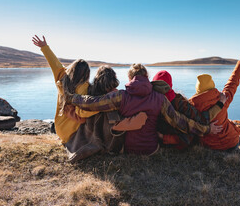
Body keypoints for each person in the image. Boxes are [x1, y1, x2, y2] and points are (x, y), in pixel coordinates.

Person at [65, 63, 224, 155]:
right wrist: (206, 129)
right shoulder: (160, 98)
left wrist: (72, 98)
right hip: (151, 149)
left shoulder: (121, 96)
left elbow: (92, 103)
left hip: (127, 149)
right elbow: (180, 122)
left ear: (130, 78)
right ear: (147, 76)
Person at [32, 35, 98, 144]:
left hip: (59, 129)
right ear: (87, 73)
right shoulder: (85, 88)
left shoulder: (62, 77)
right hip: (74, 134)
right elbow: (83, 113)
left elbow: (54, 63)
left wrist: (44, 47)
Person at [189, 45, 240, 150]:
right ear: (212, 86)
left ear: (198, 91)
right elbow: (233, 81)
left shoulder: (191, 105)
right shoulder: (223, 98)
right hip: (230, 142)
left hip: (209, 145)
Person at [152, 70, 227, 149]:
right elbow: (201, 119)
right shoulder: (178, 102)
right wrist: (220, 104)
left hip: (156, 140)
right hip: (180, 144)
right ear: (170, 85)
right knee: (191, 132)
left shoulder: (148, 100)